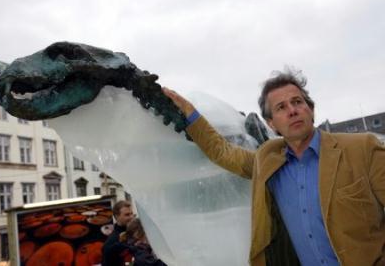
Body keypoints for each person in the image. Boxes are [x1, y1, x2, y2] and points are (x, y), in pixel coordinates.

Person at [163, 70, 385, 266]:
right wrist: (190, 114)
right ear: (271, 123)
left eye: (298, 102)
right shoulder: (267, 161)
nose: (292, 110)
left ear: (311, 110)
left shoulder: (362, 148)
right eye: (281, 107)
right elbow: (223, 152)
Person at [102, 200, 134, 266]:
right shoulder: (111, 242)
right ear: (117, 217)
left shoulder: (136, 233)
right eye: (127, 215)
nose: (131, 217)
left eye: (131, 213)